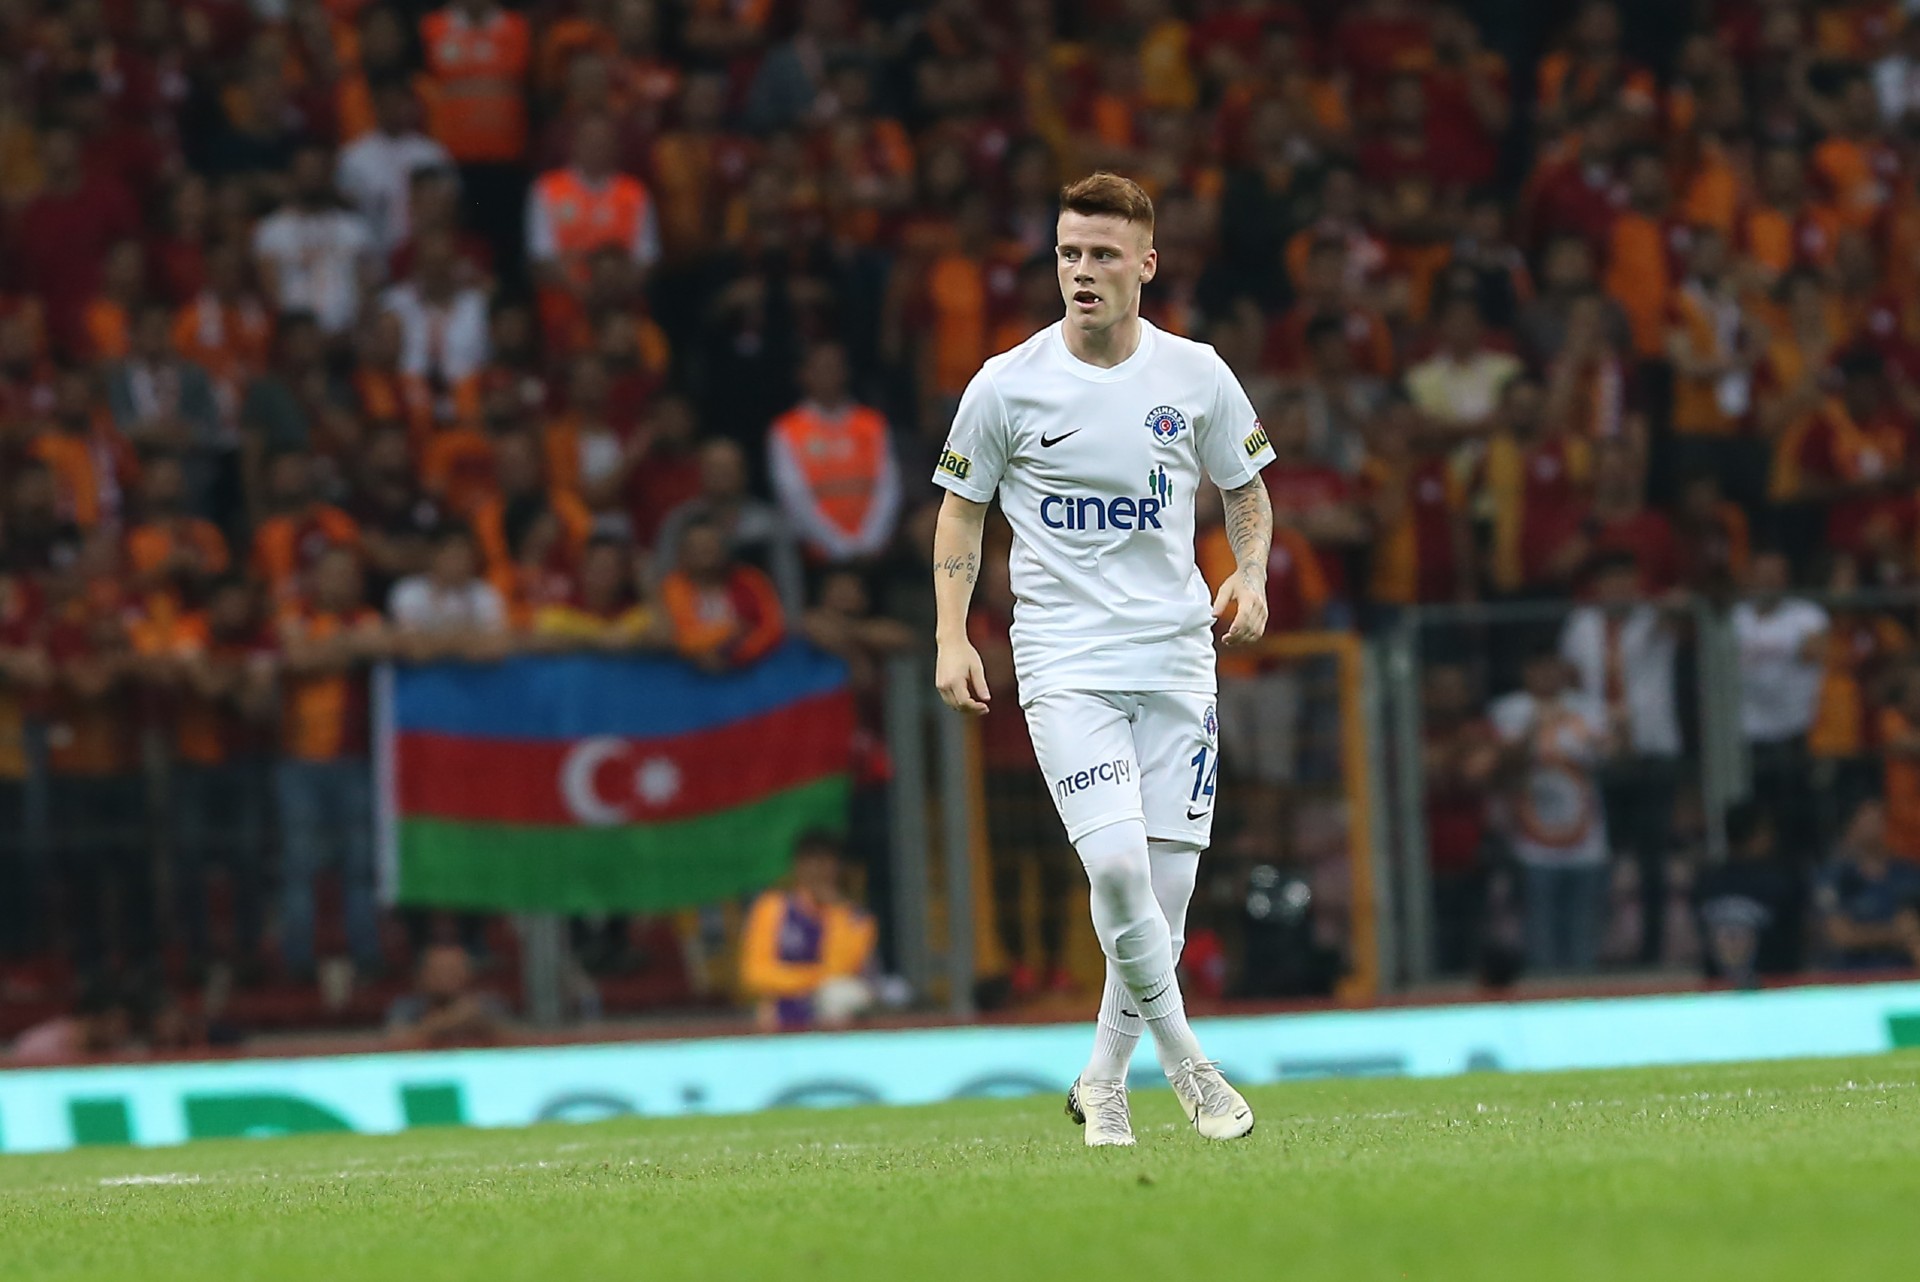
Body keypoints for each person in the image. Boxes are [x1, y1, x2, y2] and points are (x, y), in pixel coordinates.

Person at [931, 173, 1272, 1146]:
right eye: (1069, 253)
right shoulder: (1007, 384)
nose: (1082, 271)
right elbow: (960, 511)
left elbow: (1246, 488)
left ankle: (1103, 1081)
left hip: (1177, 659)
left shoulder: (1196, 375)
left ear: (1146, 265)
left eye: (1103, 255)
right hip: (1066, 661)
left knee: (1163, 904)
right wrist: (951, 633)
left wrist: (1250, 575)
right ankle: (1191, 1067)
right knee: (1117, 867)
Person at [1559, 552, 1682, 964]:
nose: (1619, 590)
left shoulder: (1652, 619)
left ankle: (1652, 950)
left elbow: (1682, 607)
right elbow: (1572, 680)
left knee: (1652, 858)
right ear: (1597, 587)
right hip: (1600, 751)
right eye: (1611, 582)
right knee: (1601, 855)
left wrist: (1667, 598)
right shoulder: (1580, 626)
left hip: (1652, 749)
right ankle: (1600, 947)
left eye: (1627, 581)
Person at [1490, 644, 1614, 976]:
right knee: (1539, 932)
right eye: (1539, 668)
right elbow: (1504, 764)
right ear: (1526, 671)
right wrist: (1535, 727)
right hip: (1533, 844)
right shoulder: (1509, 710)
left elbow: (1610, 755)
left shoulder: (1588, 708)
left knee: (1582, 933)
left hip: (1586, 841)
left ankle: (1584, 995)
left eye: (1553, 667)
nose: (1547, 675)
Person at [1732, 551, 1830, 859]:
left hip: (1795, 730)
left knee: (1797, 818)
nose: (1771, 582)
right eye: (1764, 574)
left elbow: (1812, 652)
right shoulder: (1734, 618)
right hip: (1748, 733)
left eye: (1777, 575)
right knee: (1754, 820)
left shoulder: (1807, 615)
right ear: (1750, 577)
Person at [738, 830, 878, 1031]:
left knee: (841, 994)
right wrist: (811, 979)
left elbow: (840, 971)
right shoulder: (773, 907)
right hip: (783, 1003)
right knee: (766, 1006)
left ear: (837, 866)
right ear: (797, 865)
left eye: (825, 861)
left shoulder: (855, 919)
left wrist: (836, 912)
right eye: (811, 861)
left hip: (828, 1007)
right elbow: (755, 974)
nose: (817, 870)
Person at [1693, 801, 1803, 986]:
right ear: (1759, 834)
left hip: (1725, 993)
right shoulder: (1780, 882)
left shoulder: (1706, 881)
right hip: (1771, 992)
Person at [1814, 801, 1920, 971]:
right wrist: (1894, 934)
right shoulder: (1836, 877)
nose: (1876, 827)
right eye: (1868, 820)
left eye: (1880, 819)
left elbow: (1913, 931)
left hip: (1902, 974)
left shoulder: (1908, 874)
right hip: (1852, 976)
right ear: (1851, 825)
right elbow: (1841, 936)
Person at [386, 943, 513, 1049]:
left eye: (452, 970)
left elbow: (517, 1042)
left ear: (468, 974)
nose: (446, 977)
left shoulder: (489, 1005)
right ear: (423, 975)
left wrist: (483, 1022)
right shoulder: (406, 1007)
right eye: (438, 970)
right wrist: (450, 1020)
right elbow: (393, 1043)